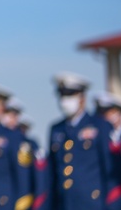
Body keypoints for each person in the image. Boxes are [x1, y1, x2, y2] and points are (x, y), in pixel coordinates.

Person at [47, 72, 112, 210]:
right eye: (62, 95)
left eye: (70, 95)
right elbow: (52, 172)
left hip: (93, 203)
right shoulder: (56, 129)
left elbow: (109, 169)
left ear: (82, 98)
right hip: (64, 203)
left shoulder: (99, 126)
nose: (64, 101)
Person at [2, 99, 49, 210]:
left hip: (22, 201)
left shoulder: (27, 145)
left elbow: (39, 174)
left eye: (13, 115)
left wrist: (38, 201)